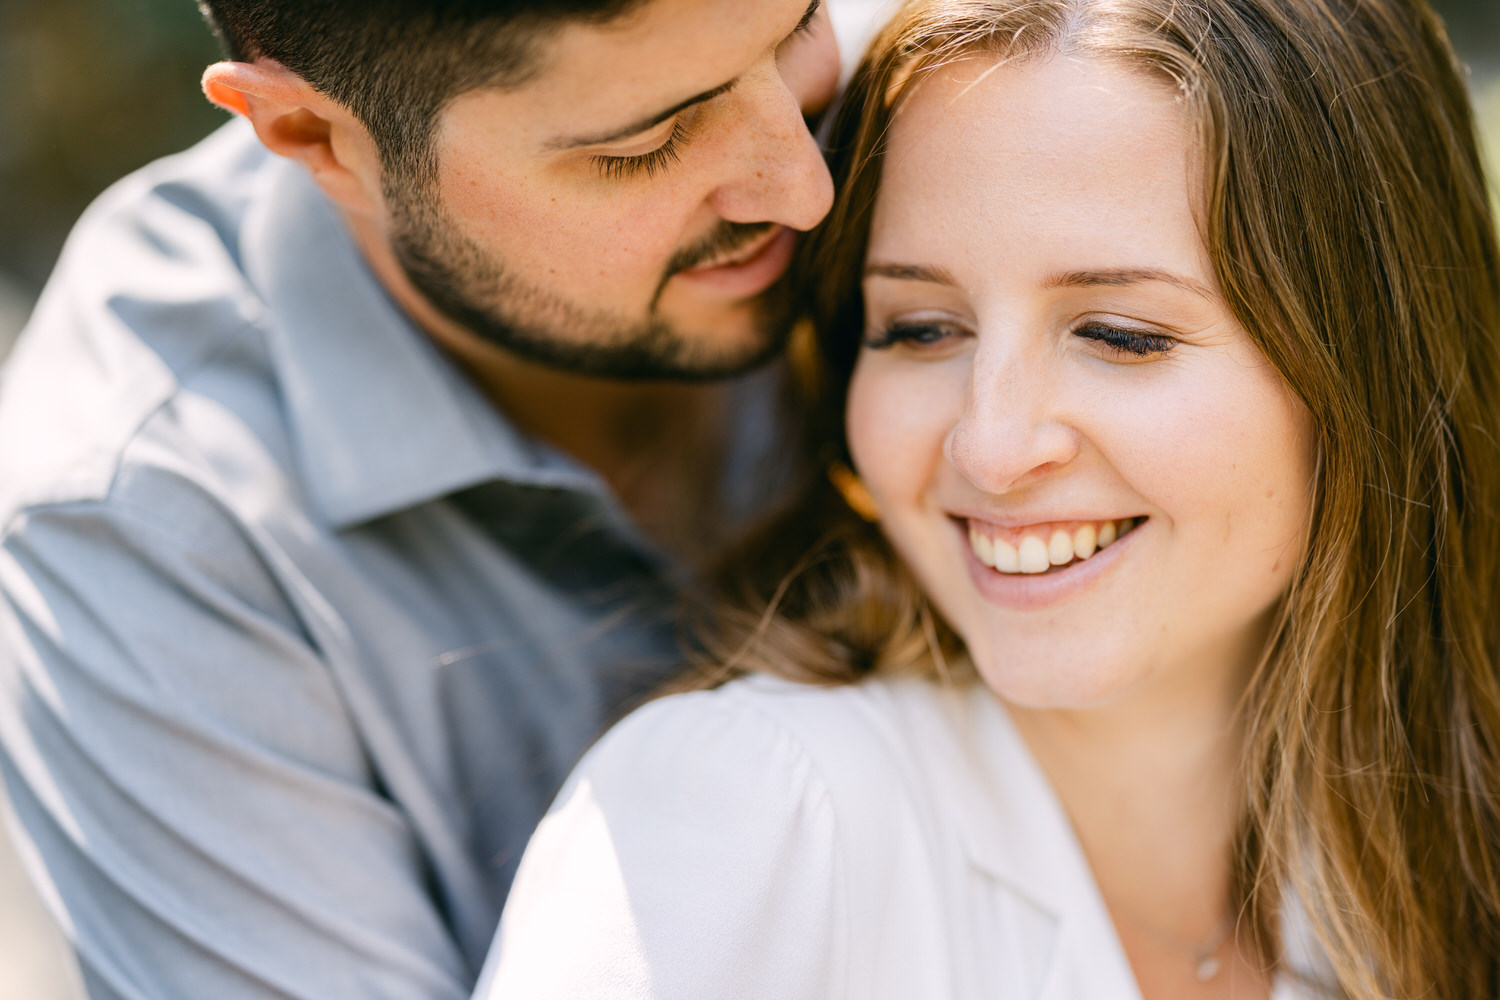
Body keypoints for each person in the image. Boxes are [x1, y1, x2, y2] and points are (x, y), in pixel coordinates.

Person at [479, 0, 1500, 996]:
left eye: (1120, 334)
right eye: (921, 329)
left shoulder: (1453, 838)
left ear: (1375, 366)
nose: (992, 445)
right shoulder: (743, 817)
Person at [0, 1, 882, 997]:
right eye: (649, 143)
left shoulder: (954, 90)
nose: (806, 186)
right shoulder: (145, 528)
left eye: (799, 29)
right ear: (314, 137)